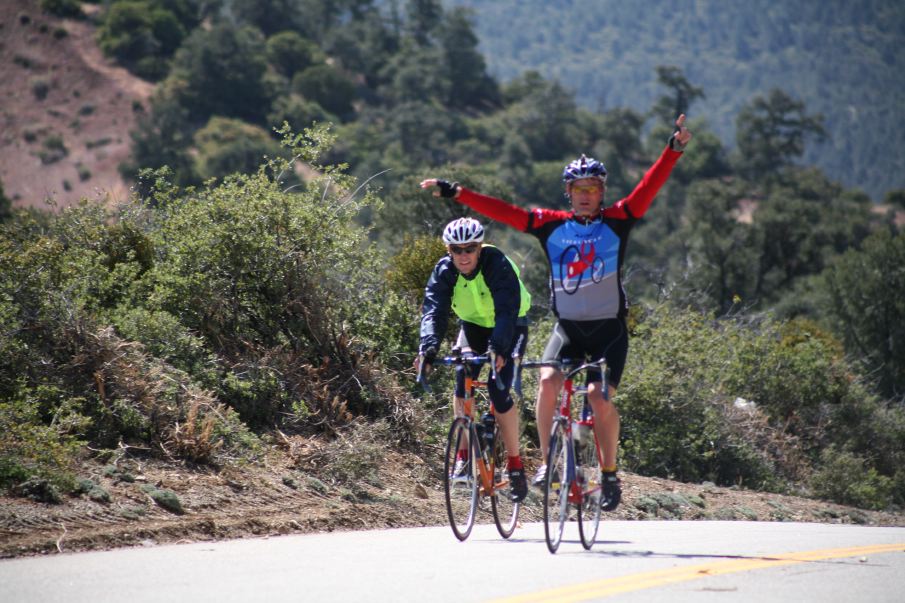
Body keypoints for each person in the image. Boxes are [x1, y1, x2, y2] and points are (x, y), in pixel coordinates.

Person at [421, 115, 693, 512]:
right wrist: (459, 192)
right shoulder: (551, 226)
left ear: (602, 192)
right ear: (568, 192)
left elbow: (649, 186)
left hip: (609, 332)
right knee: (547, 381)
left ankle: (610, 471)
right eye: (578, 188)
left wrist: (674, 149)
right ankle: (549, 462)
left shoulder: (619, 220)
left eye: (593, 188)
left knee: (600, 399)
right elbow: (503, 212)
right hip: (567, 329)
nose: (585, 195)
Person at [415, 217, 532, 503]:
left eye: (470, 248)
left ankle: (515, 464)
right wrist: (427, 350)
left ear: (480, 248)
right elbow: (434, 312)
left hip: (511, 324)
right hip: (473, 327)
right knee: (461, 377)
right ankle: (464, 457)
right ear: (448, 250)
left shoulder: (496, 263)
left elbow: (506, 308)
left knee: (498, 388)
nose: (463, 255)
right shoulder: (444, 271)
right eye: (457, 250)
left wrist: (500, 349)